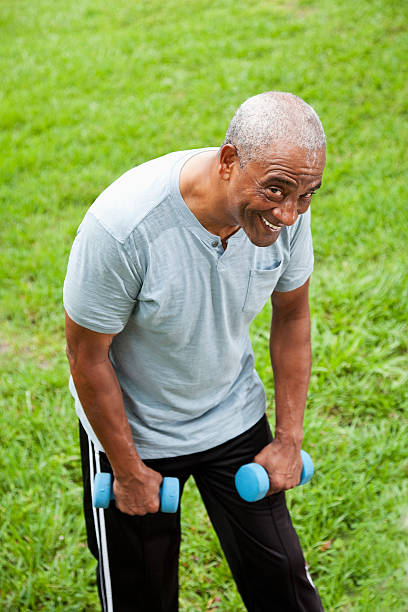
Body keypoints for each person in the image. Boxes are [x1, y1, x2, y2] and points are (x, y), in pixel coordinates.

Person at [64, 91, 326, 612]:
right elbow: (86, 357)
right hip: (136, 432)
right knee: (143, 601)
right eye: (276, 189)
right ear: (229, 161)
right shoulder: (124, 228)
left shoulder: (284, 213)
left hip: (231, 412)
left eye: (307, 194)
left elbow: (293, 318)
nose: (290, 213)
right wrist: (128, 468)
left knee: (286, 589)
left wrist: (289, 438)